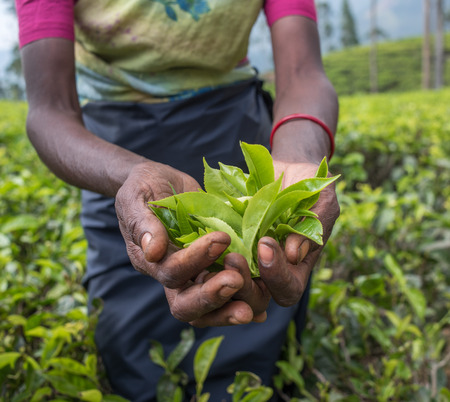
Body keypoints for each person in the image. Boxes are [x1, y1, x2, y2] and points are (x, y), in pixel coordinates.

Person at [16, 0, 339, 400]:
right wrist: (129, 176)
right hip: (114, 157)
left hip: (238, 140)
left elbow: (303, 72)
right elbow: (50, 111)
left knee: (261, 362)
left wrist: (298, 160)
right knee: (138, 365)